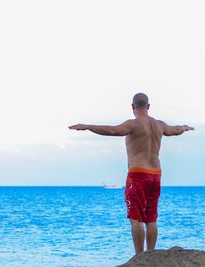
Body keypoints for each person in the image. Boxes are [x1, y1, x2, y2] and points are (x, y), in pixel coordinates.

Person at [68, 93, 194, 254]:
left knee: (136, 219)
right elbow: (175, 130)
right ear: (148, 106)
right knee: (151, 218)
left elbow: (112, 131)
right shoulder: (159, 125)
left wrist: (88, 126)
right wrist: (185, 127)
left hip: (138, 174)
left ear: (132, 106)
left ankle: (139, 257)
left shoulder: (133, 124)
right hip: (156, 174)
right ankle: (151, 255)